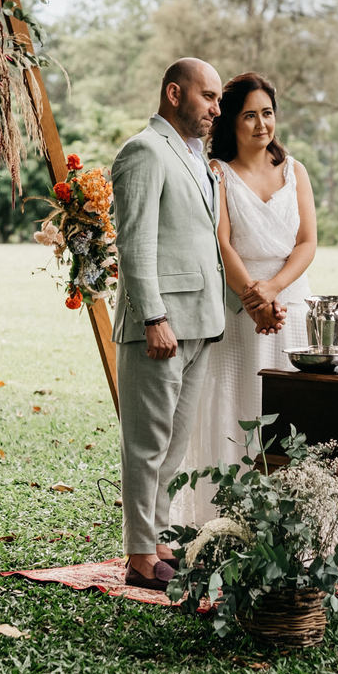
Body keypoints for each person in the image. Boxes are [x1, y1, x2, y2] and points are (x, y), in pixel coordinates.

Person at [172, 72, 317, 527]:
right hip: (240, 312)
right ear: (230, 122)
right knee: (237, 406)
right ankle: (227, 526)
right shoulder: (217, 173)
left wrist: (273, 291)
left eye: (267, 114)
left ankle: (291, 524)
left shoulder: (295, 171)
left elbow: (308, 243)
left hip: (291, 307)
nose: (261, 125)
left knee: (295, 414)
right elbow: (222, 243)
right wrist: (254, 301)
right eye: (249, 115)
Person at [111, 58, 227, 590]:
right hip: (159, 325)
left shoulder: (199, 159)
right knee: (147, 441)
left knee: (175, 444)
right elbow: (136, 242)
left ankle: (156, 536)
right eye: (208, 97)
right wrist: (153, 315)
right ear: (174, 93)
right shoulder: (144, 150)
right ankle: (138, 554)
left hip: (200, 320)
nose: (215, 109)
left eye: (219, 100)